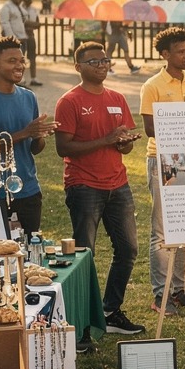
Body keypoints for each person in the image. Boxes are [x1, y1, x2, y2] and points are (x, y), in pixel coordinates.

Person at [55, 42, 146, 339]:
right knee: (84, 256)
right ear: (78, 66)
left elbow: (127, 146)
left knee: (128, 250)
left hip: (118, 184)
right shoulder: (69, 101)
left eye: (105, 60)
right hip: (84, 186)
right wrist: (107, 139)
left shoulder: (117, 98)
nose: (101, 65)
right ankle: (81, 322)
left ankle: (110, 311)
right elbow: (63, 147)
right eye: (93, 61)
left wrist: (124, 142)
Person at [140, 26, 185, 314]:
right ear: (165, 54)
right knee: (163, 230)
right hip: (163, 160)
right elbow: (149, 128)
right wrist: (182, 127)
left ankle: (179, 289)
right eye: (181, 51)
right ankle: (161, 294)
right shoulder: (152, 86)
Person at [0, 36, 56, 235]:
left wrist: (39, 135)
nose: (19, 66)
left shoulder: (28, 96)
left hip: (29, 190)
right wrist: (25, 133)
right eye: (12, 61)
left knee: (30, 255)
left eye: (22, 60)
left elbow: (34, 149)